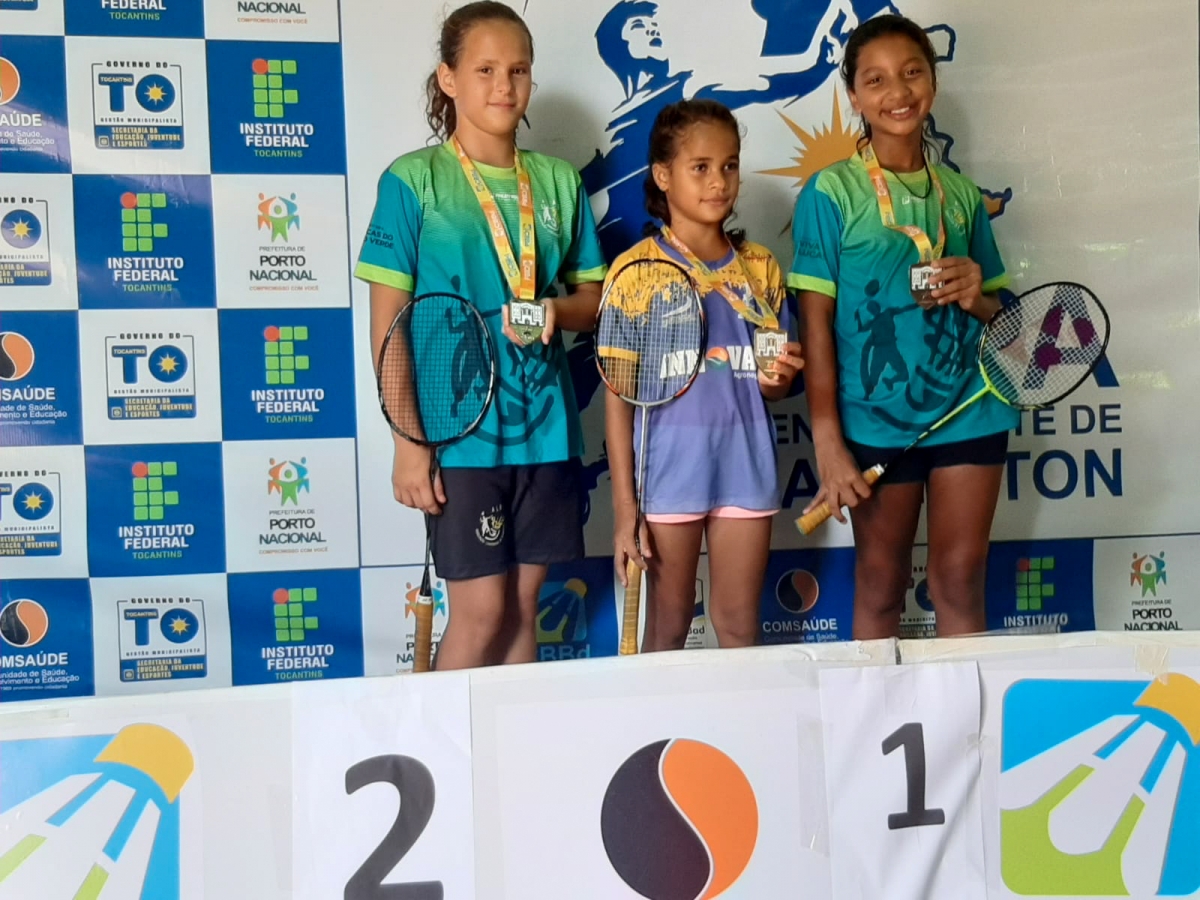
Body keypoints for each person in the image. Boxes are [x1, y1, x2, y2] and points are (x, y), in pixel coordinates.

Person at [355, 1, 607, 669]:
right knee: (482, 612)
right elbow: (389, 327)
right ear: (449, 78)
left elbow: (593, 302)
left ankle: (516, 737)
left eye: (518, 70)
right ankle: (440, 740)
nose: (504, 86)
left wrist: (555, 311)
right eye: (485, 69)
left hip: (548, 431)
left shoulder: (558, 181)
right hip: (460, 433)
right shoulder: (412, 180)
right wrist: (409, 442)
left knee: (524, 610)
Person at [789, 14, 1014, 639]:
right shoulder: (830, 194)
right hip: (876, 421)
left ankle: (965, 708)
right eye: (877, 80)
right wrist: (828, 442)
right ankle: (874, 709)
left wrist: (977, 296)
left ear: (933, 83)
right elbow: (815, 323)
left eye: (912, 72)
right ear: (854, 96)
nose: (899, 92)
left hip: (970, 406)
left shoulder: (962, 195)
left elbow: (1005, 318)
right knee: (882, 583)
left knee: (959, 579)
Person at [605, 99, 804, 651]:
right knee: (668, 625)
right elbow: (618, 401)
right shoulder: (635, 271)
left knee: (738, 623)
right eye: (700, 167)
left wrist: (777, 380)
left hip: (746, 464)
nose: (719, 181)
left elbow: (774, 384)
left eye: (729, 165)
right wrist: (625, 508)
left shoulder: (761, 267)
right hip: (668, 471)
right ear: (662, 175)